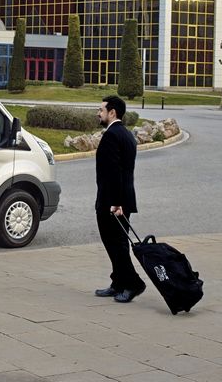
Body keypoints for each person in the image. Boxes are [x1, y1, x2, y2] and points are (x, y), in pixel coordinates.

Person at [94, 95, 146, 303]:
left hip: (113, 203)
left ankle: (133, 284)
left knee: (117, 245)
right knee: (116, 244)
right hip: (119, 200)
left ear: (112, 112)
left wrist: (116, 203)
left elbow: (114, 173)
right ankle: (118, 282)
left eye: (101, 109)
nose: (98, 113)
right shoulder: (125, 134)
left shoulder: (112, 136)